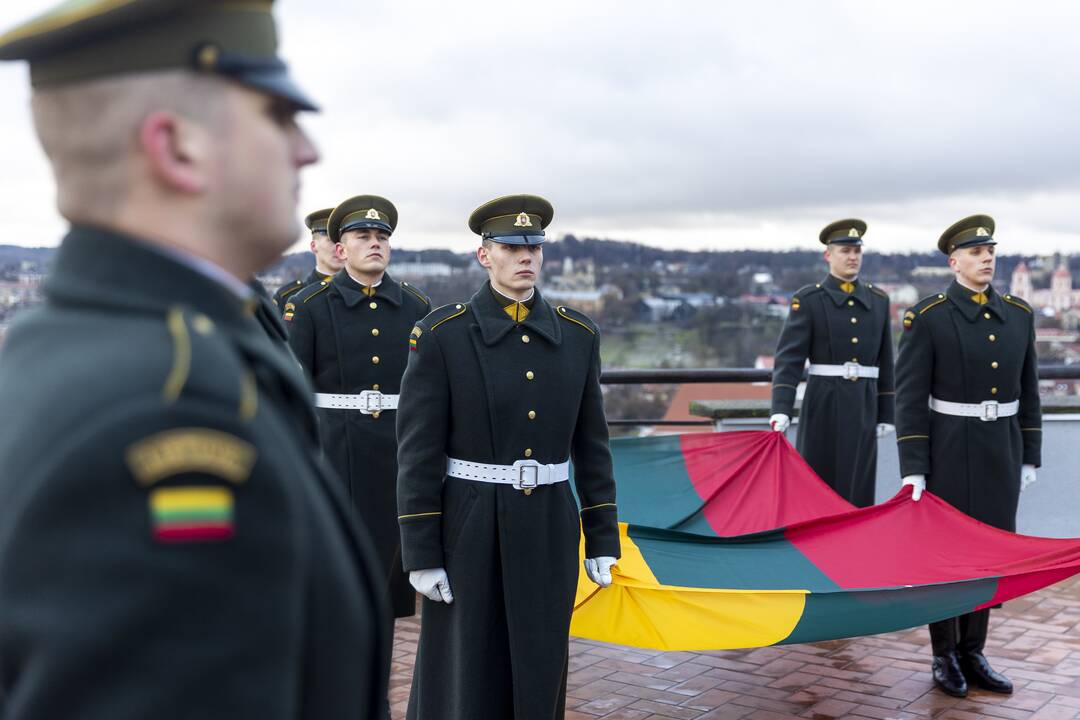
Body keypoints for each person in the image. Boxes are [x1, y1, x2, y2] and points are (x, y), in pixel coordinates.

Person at [0, 2, 390, 717]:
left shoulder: (55, 345)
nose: (308, 149)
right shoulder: (166, 411)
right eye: (277, 115)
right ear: (176, 147)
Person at [396, 194, 621, 719]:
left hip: (547, 522)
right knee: (465, 667)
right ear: (484, 256)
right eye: (510, 246)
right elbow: (418, 452)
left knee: (542, 662)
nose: (525, 256)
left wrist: (602, 535)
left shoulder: (578, 336)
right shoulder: (442, 336)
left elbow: (592, 445)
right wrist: (421, 552)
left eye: (534, 247)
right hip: (469, 521)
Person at [896, 214, 1041, 698]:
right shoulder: (930, 316)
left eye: (991, 251)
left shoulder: (1019, 314)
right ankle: (945, 655)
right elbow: (910, 397)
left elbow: (1030, 389)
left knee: (990, 553)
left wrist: (1029, 454)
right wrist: (914, 467)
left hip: (1001, 447)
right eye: (977, 253)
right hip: (949, 449)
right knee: (946, 556)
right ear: (954, 261)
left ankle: (974, 651)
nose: (987, 259)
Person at [287, 194, 430, 619]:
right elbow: (294, 389)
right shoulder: (310, 306)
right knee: (338, 574)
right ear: (339, 248)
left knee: (388, 575)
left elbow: (426, 388)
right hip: (335, 445)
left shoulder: (415, 305)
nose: (375, 244)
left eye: (382, 237)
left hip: (397, 446)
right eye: (363, 236)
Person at [769, 219, 895, 506]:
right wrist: (781, 408)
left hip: (864, 403)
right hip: (822, 400)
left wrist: (887, 414)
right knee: (817, 481)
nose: (852, 257)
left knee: (858, 484)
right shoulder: (810, 300)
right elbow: (789, 358)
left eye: (857, 252)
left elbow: (886, 361)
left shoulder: (878, 300)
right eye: (845, 251)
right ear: (828, 255)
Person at [273, 207, 342, 311]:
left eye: (343, 241)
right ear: (314, 246)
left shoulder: (367, 291)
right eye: (331, 241)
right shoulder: (287, 297)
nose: (339, 248)